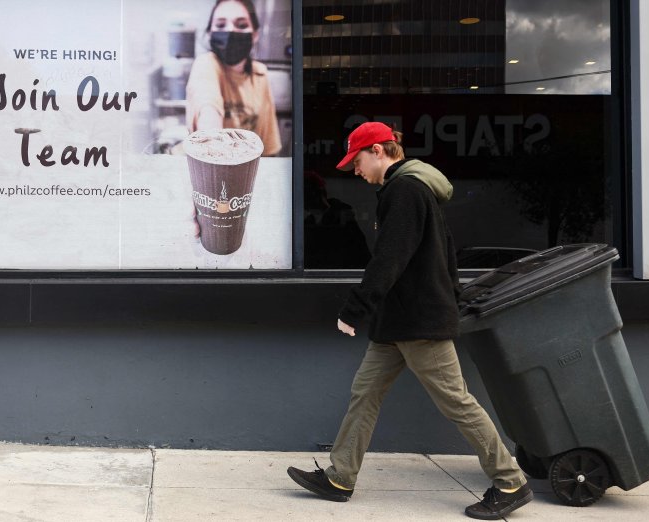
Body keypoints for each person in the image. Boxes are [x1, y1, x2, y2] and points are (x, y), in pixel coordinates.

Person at [287, 122, 533, 520]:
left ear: (380, 151)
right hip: (397, 322)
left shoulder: (406, 190)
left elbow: (390, 257)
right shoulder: (410, 190)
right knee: (364, 392)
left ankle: (510, 481)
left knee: (456, 402)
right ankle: (340, 477)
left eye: (357, 160)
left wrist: (355, 308)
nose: (354, 170)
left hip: (419, 321)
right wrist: (451, 294)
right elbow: (445, 250)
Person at [186, 0, 281, 156]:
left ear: (255, 34)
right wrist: (214, 144)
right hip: (212, 165)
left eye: (242, 25)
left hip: (247, 170)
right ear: (210, 33)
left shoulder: (260, 74)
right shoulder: (206, 64)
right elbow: (208, 109)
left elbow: (268, 145)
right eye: (221, 25)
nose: (230, 31)